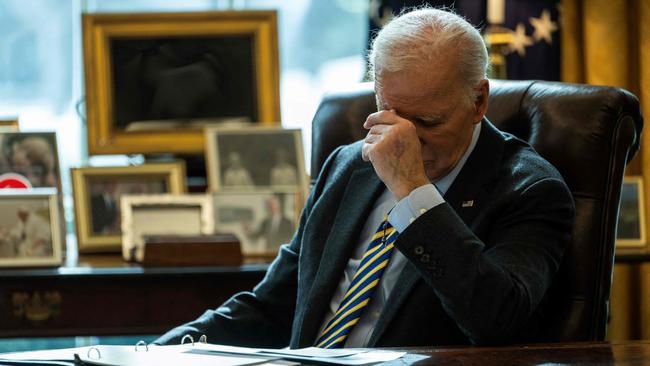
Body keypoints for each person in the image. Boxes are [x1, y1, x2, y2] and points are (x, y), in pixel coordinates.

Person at [156, 8, 574, 348]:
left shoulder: (531, 190)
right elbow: (271, 306)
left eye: (427, 122)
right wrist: (161, 352)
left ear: (479, 100)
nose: (405, 139)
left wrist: (414, 193)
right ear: (377, 94)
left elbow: (496, 320)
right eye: (394, 116)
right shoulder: (348, 166)